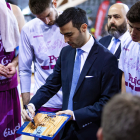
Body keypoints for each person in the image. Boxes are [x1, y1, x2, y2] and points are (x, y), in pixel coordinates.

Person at [21, 7, 119, 140]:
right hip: (65, 129)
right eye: (63, 35)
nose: (65, 40)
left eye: (69, 34)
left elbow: (108, 102)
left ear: (84, 27)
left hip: (90, 131)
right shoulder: (65, 53)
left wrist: (74, 114)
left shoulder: (107, 59)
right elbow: (51, 85)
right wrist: (32, 105)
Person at [19, 0, 67, 139]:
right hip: (44, 105)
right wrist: (27, 106)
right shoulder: (29, 29)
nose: (46, 21)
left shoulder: (70, 22)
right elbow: (24, 70)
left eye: (48, 15)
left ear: (55, 4)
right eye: (40, 18)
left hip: (70, 104)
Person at [0, 0, 25, 140]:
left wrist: (14, 63)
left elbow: (26, 49)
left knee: (11, 136)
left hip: (8, 88)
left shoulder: (14, 11)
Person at [99, 3, 129, 91]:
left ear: (127, 19)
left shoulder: (133, 45)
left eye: (116, 17)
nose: (111, 21)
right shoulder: (102, 42)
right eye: (109, 17)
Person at [119, 1, 140, 94]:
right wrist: (125, 101)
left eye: (139, 29)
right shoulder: (126, 39)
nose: (132, 32)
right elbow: (124, 74)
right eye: (130, 26)